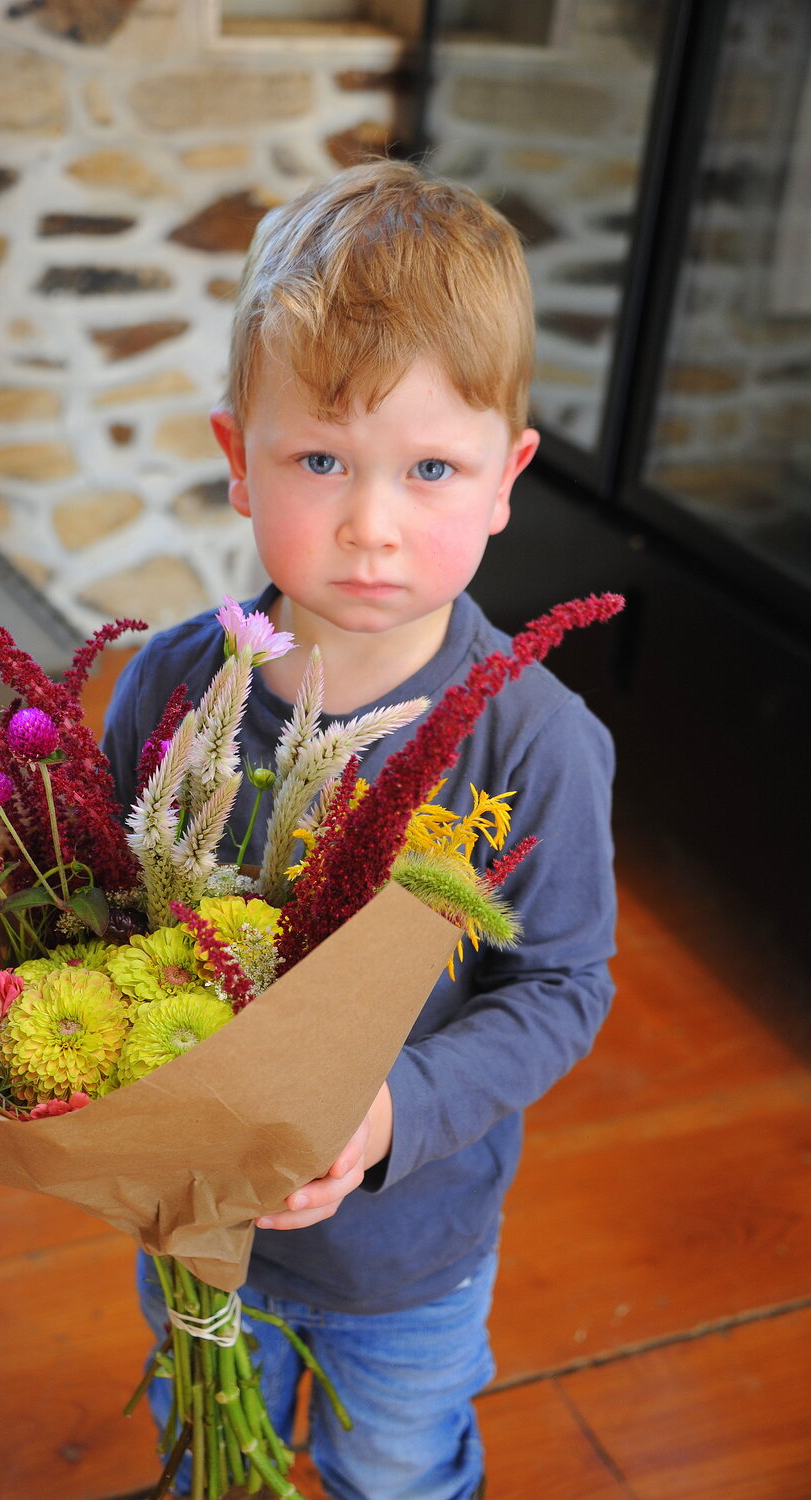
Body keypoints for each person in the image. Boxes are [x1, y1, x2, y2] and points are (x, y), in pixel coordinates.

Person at [102, 158, 616, 1500]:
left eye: (431, 467)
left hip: (407, 1258)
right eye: (319, 458)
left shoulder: (530, 740)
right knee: (212, 1452)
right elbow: (99, 918)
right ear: (236, 458)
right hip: (194, 1225)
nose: (370, 526)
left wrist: (392, 1113)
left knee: (393, 1466)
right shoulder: (168, 687)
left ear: (506, 477)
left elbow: (560, 985)